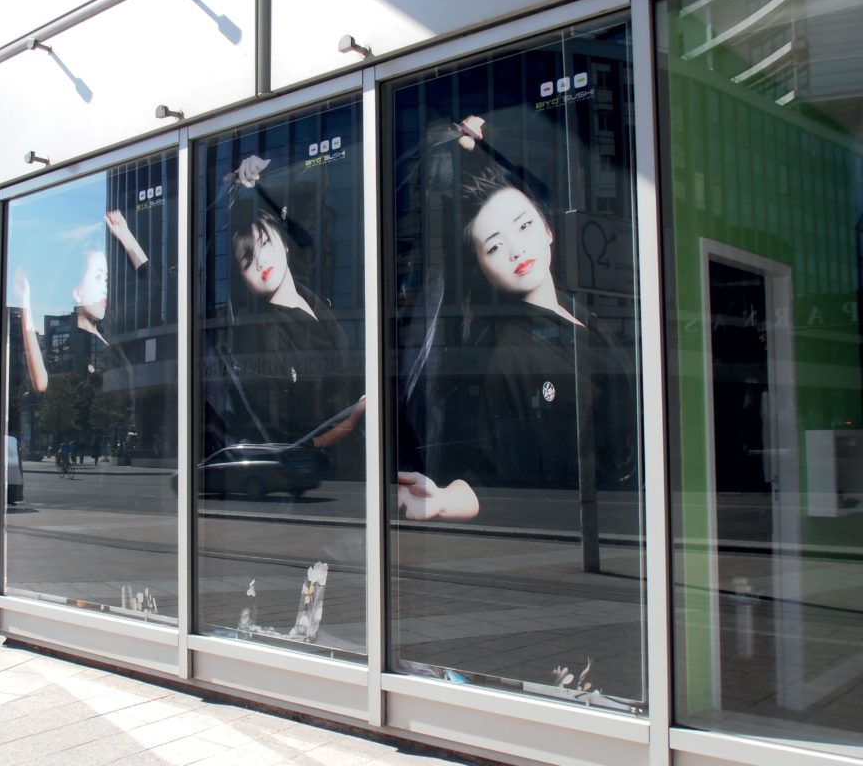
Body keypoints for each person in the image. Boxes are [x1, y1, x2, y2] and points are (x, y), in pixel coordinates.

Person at [397, 159, 636, 521]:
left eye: (524, 226)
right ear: (481, 269)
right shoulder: (507, 354)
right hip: (586, 526)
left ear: (548, 229)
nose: (516, 251)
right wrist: (445, 501)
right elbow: (496, 474)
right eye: (494, 247)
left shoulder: (582, 316)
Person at [220, 157, 365, 450]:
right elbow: (295, 441)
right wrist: (357, 416)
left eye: (266, 244)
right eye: (247, 261)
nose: (261, 260)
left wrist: (264, 168)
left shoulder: (316, 295)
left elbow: (314, 190)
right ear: (242, 277)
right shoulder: (263, 334)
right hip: (328, 467)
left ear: (285, 244)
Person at [12, 210, 148, 392]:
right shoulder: (72, 343)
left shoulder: (110, 330)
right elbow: (41, 383)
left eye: (106, 279)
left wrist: (125, 235)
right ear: (77, 292)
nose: (105, 287)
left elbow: (152, 286)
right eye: (98, 277)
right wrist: (25, 302)